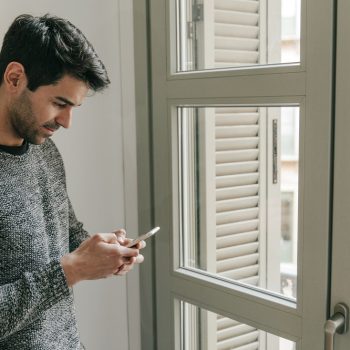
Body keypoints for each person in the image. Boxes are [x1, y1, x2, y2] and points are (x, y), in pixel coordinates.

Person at [0, 14, 145, 349]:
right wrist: (71, 272)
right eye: (59, 103)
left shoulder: (44, 150)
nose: (66, 122)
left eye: (74, 107)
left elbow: (62, 233)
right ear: (15, 77)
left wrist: (103, 250)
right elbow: (64, 269)